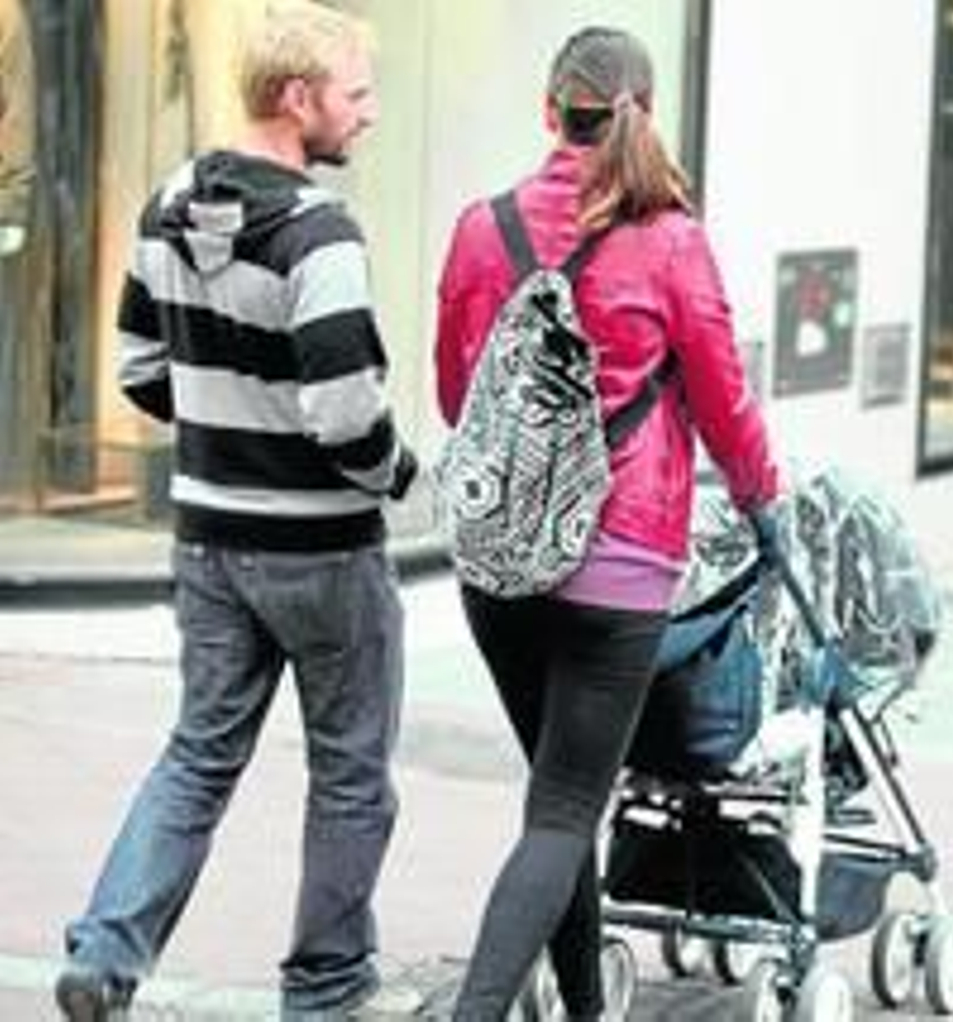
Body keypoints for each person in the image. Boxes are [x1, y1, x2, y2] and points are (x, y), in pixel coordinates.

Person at [55, 3, 418, 1018]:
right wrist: (400, 475)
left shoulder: (168, 202)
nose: (372, 114)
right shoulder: (320, 233)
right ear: (298, 100)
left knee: (200, 750)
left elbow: (137, 367)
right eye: (356, 94)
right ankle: (326, 987)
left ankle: (106, 953)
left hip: (209, 539)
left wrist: (228, 418)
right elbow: (346, 411)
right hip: (324, 553)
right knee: (351, 774)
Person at [433, 25, 781, 1022]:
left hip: (498, 561)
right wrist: (764, 503)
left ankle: (586, 1008)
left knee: (558, 800)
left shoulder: (477, 227)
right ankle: (481, 1008)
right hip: (619, 558)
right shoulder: (669, 238)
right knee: (562, 808)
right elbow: (723, 400)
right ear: (645, 111)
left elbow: (460, 394)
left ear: (550, 112)